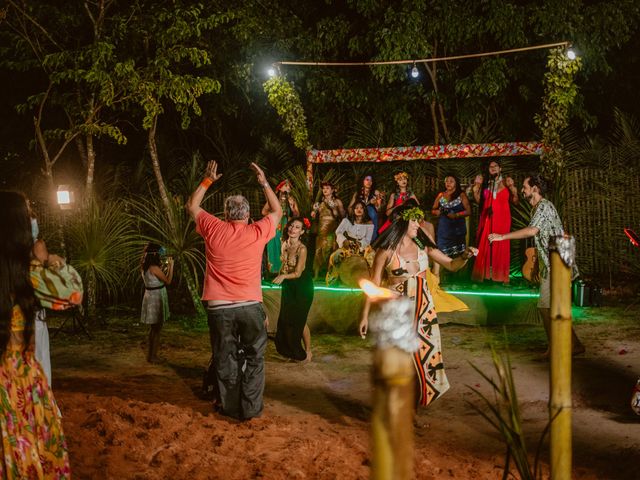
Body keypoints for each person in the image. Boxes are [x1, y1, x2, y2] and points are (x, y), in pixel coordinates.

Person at [187, 160, 282, 420]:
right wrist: (263, 182)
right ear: (247, 214)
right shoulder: (258, 230)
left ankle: (229, 408)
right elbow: (277, 211)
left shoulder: (213, 228)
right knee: (254, 357)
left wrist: (207, 180)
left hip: (219, 308)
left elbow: (192, 206)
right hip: (250, 306)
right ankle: (251, 409)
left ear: (226, 214)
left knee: (225, 358)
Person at [359, 204, 477, 407]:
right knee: (402, 362)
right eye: (414, 220)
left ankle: (412, 408)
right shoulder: (385, 252)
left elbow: (451, 264)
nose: (418, 224)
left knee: (422, 361)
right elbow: (374, 286)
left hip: (423, 313)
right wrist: (364, 316)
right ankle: (397, 407)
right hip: (397, 314)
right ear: (403, 221)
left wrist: (464, 256)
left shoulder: (424, 247)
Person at [0, 191, 70, 478]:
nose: (34, 218)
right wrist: (46, 261)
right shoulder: (28, 270)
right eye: (29, 212)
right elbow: (69, 295)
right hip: (23, 381)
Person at [488, 174, 585, 355]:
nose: (522, 189)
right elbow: (541, 239)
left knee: (546, 307)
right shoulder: (537, 209)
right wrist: (538, 266)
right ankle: (573, 345)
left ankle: (559, 346)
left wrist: (503, 236)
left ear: (535, 189)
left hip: (559, 262)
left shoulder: (544, 206)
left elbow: (532, 231)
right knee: (552, 308)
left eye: (525, 186)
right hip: (553, 262)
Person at [273, 218, 314, 362]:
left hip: (302, 287)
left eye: (297, 227)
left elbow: (298, 273)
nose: (292, 229)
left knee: (300, 320)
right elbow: (284, 265)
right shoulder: (284, 243)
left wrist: (283, 276)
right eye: (291, 226)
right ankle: (290, 351)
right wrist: (279, 275)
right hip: (288, 285)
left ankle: (308, 351)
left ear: (302, 232)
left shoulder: (302, 249)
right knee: (286, 320)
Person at [471, 160, 518, 283]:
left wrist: (513, 188)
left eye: (495, 166)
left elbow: (515, 201)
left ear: (500, 168)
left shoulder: (506, 182)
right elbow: (479, 202)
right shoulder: (487, 184)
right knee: (486, 243)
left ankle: (501, 276)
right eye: (490, 166)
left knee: (501, 243)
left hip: (503, 218)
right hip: (488, 218)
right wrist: (476, 188)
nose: (492, 168)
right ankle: (485, 275)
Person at [431, 174, 471, 278]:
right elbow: (433, 210)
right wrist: (437, 212)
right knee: (441, 253)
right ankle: (439, 278)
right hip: (444, 229)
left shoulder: (461, 195)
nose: (448, 183)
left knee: (460, 254)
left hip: (457, 229)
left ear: (456, 183)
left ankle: (460, 278)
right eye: (446, 181)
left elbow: (468, 211)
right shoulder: (441, 195)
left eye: (451, 181)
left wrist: (456, 215)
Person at [326, 200, 375, 285]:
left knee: (372, 256)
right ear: (353, 210)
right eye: (356, 208)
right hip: (348, 245)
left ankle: (372, 279)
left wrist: (360, 244)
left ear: (364, 210)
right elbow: (338, 232)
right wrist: (344, 240)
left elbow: (367, 239)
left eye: (361, 208)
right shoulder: (346, 221)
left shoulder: (369, 223)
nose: (359, 210)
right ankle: (333, 278)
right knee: (335, 256)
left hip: (363, 246)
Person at [140, 242, 174, 363]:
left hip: (150, 296)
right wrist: (171, 266)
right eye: (159, 253)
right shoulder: (154, 268)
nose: (161, 255)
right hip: (156, 297)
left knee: (153, 329)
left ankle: (151, 355)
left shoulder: (144, 266)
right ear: (154, 254)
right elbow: (168, 280)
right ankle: (153, 356)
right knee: (157, 329)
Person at [262, 179, 299, 275]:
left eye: (289, 187)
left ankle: (285, 270)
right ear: (280, 187)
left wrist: (292, 208)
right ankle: (273, 271)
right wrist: (273, 215)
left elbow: (297, 214)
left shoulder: (292, 200)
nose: (288, 188)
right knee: (274, 245)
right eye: (286, 186)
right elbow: (264, 212)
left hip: (286, 225)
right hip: (275, 225)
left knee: (285, 246)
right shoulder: (273, 199)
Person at [311, 181, 345, 279]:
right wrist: (313, 214)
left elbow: (342, 216)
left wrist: (334, 209)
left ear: (333, 190)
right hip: (321, 230)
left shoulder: (337, 202)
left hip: (332, 229)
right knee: (318, 251)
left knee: (331, 251)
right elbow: (314, 217)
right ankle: (316, 275)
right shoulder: (319, 203)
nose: (325, 190)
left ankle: (331, 275)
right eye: (324, 188)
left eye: (327, 188)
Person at [349, 174, 383, 241]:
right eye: (367, 180)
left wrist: (376, 203)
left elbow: (379, 209)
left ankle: (372, 239)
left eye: (371, 180)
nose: (369, 182)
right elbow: (350, 207)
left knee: (371, 210)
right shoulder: (357, 193)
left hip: (372, 218)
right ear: (363, 181)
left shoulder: (376, 192)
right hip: (359, 217)